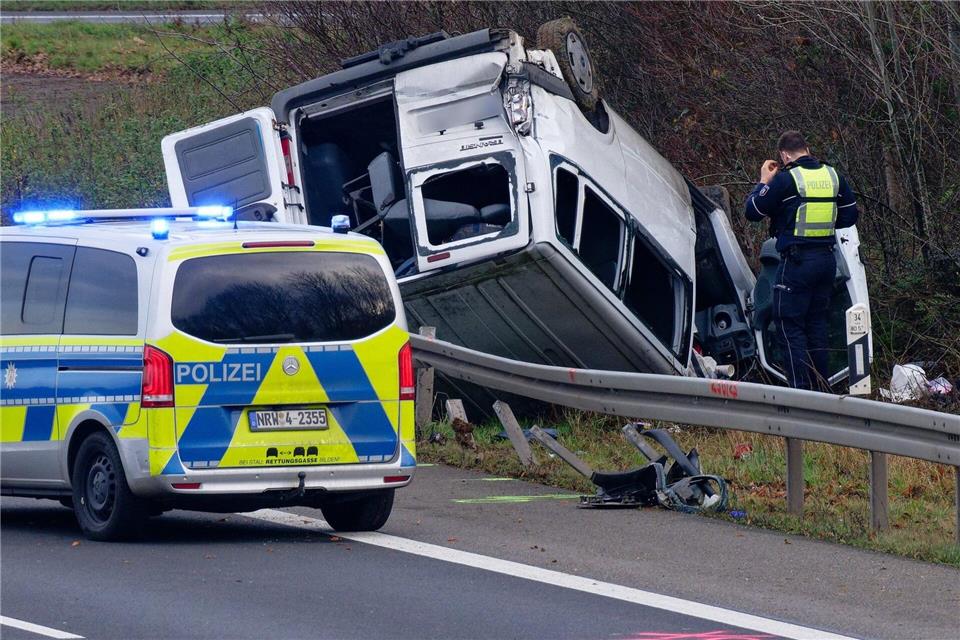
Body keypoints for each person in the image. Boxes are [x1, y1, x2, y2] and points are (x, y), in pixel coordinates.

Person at [743, 131, 859, 390]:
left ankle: (800, 397)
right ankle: (823, 392)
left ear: (784, 155)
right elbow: (850, 217)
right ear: (807, 149)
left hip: (797, 263)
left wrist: (763, 181)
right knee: (817, 325)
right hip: (827, 263)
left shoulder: (785, 180)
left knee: (789, 325)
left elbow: (752, 211)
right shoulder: (833, 175)